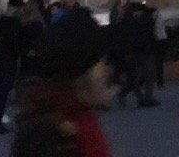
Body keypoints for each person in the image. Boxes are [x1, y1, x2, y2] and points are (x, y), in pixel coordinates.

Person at [11, 10, 115, 157]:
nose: (107, 70)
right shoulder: (50, 136)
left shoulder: (76, 121)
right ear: (82, 73)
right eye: (102, 62)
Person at [0, 0, 28, 131]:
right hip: (9, 60)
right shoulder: (15, 22)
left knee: (0, 90)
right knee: (4, 91)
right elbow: (17, 43)